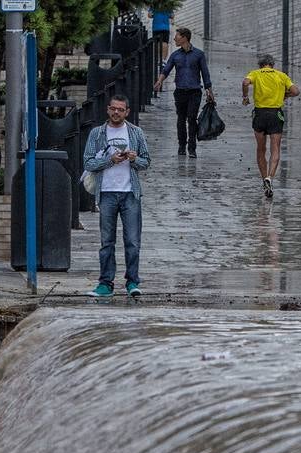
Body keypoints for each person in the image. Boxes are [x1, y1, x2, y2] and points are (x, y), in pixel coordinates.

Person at [82, 95, 151, 298]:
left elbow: (146, 162)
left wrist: (134, 158)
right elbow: (88, 163)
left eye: (120, 109)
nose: (116, 113)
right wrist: (109, 160)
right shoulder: (97, 134)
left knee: (132, 241)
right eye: (113, 109)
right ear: (107, 110)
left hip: (130, 193)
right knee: (107, 241)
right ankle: (105, 283)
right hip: (106, 193)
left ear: (127, 112)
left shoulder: (135, 133)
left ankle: (132, 282)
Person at [241, 54, 299, 199]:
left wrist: (245, 97)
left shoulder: (255, 73)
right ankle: (270, 177)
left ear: (261, 65)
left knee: (261, 149)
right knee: (275, 148)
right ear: (272, 64)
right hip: (276, 114)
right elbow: (296, 91)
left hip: (260, 114)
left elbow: (245, 82)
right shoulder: (281, 75)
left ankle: (263, 178)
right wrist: (285, 95)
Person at [153, 27, 214, 157]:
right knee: (181, 119)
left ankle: (192, 148)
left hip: (194, 92)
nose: (175, 38)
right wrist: (159, 81)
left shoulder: (199, 54)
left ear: (185, 37)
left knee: (192, 118)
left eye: (177, 36)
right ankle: (181, 145)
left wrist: (209, 90)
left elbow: (205, 73)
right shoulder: (175, 55)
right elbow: (166, 70)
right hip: (180, 91)